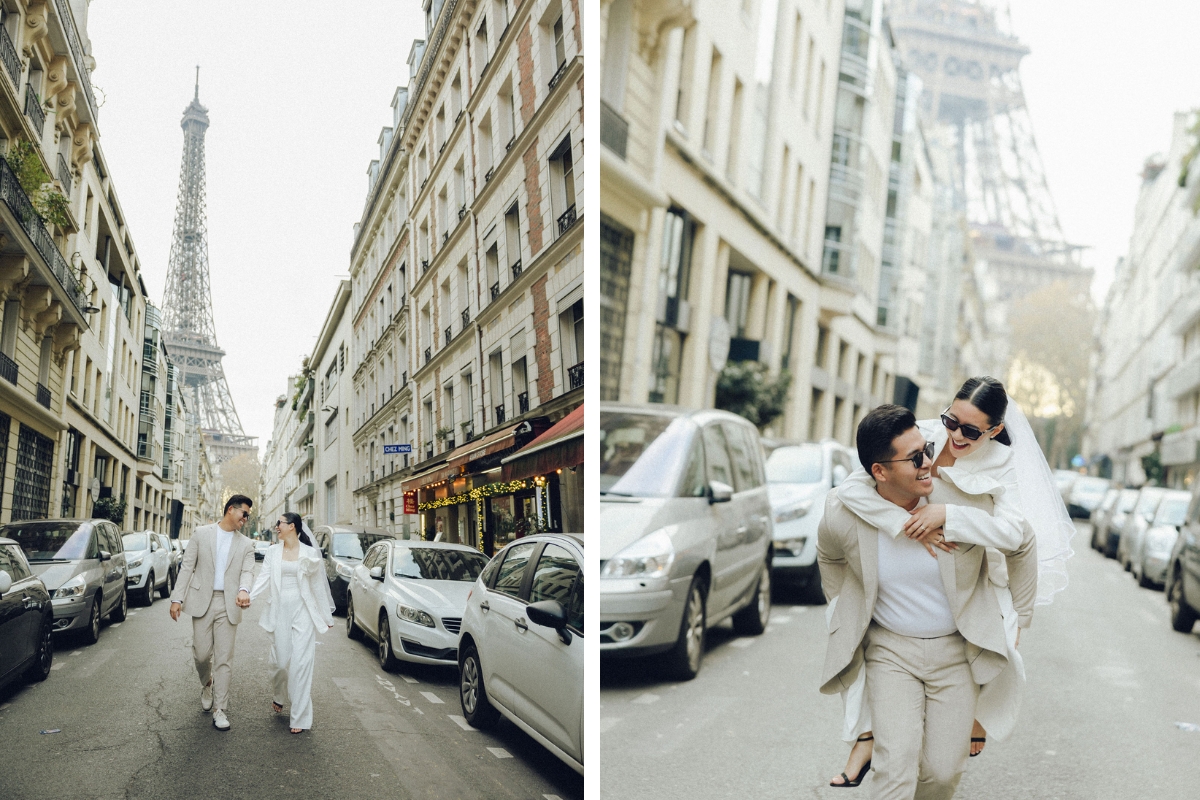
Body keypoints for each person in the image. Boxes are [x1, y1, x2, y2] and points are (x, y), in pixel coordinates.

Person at [827, 377, 1073, 788]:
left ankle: (970, 717)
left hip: (978, 576)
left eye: (971, 431)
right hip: (908, 594)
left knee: (949, 756)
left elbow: (1015, 535)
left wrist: (948, 517)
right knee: (896, 746)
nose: (955, 435)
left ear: (994, 430)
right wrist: (904, 523)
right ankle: (868, 738)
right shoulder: (920, 435)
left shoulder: (1003, 464)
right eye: (951, 420)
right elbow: (855, 488)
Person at [169, 495, 257, 731]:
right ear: (231, 510)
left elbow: (248, 571)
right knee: (201, 654)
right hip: (201, 601)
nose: (246, 519)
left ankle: (220, 709)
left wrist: (244, 590)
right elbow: (187, 567)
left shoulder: (247, 544)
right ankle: (206, 682)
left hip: (229, 603)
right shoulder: (201, 533)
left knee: (224, 659)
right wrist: (177, 598)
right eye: (244, 513)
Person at [249, 511, 335, 733]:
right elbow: (263, 578)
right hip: (279, 612)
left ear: (292, 527)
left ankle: (299, 717)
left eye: (280, 523)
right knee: (279, 663)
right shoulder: (272, 552)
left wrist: (326, 615)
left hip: (303, 612)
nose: (276, 527)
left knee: (301, 664)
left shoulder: (309, 553)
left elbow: (316, 586)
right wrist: (248, 596)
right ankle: (279, 694)